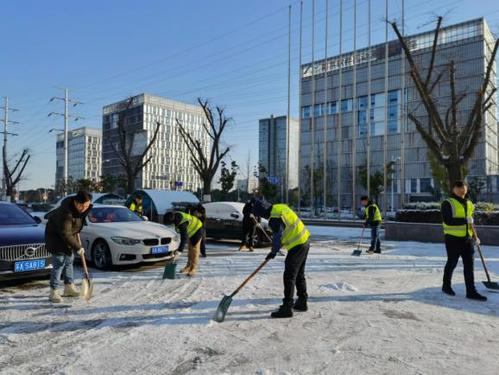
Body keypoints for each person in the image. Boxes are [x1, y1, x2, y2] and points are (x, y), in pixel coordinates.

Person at [252, 198, 310, 318]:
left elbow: (278, 236)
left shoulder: (274, 219)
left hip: (297, 245)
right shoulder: (280, 207)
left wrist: (273, 252)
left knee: (289, 276)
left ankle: (287, 307)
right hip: (305, 241)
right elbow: (286, 228)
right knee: (299, 274)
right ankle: (302, 302)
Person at [441, 181, 487, 301]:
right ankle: (446, 286)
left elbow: (471, 222)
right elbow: (448, 220)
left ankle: (471, 291)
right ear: (453, 189)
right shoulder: (448, 203)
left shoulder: (470, 203)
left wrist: (475, 237)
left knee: (469, 266)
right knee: (452, 263)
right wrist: (465, 220)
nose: (462, 189)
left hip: (468, 239)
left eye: (464, 187)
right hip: (452, 239)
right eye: (459, 187)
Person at [45, 191, 93, 303]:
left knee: (69, 261)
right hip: (56, 238)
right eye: (82, 206)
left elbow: (74, 225)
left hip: (69, 236)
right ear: (76, 202)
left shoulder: (79, 209)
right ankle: (54, 291)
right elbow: (65, 233)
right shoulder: (66, 213)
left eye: (86, 206)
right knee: (59, 263)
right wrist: (78, 247)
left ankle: (69, 287)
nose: (84, 208)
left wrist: (76, 232)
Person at [163, 210, 203, 277]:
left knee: (194, 250)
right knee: (190, 250)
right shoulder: (175, 217)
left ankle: (193, 269)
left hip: (197, 230)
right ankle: (188, 266)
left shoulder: (182, 224)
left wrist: (179, 251)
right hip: (191, 231)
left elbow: (184, 238)